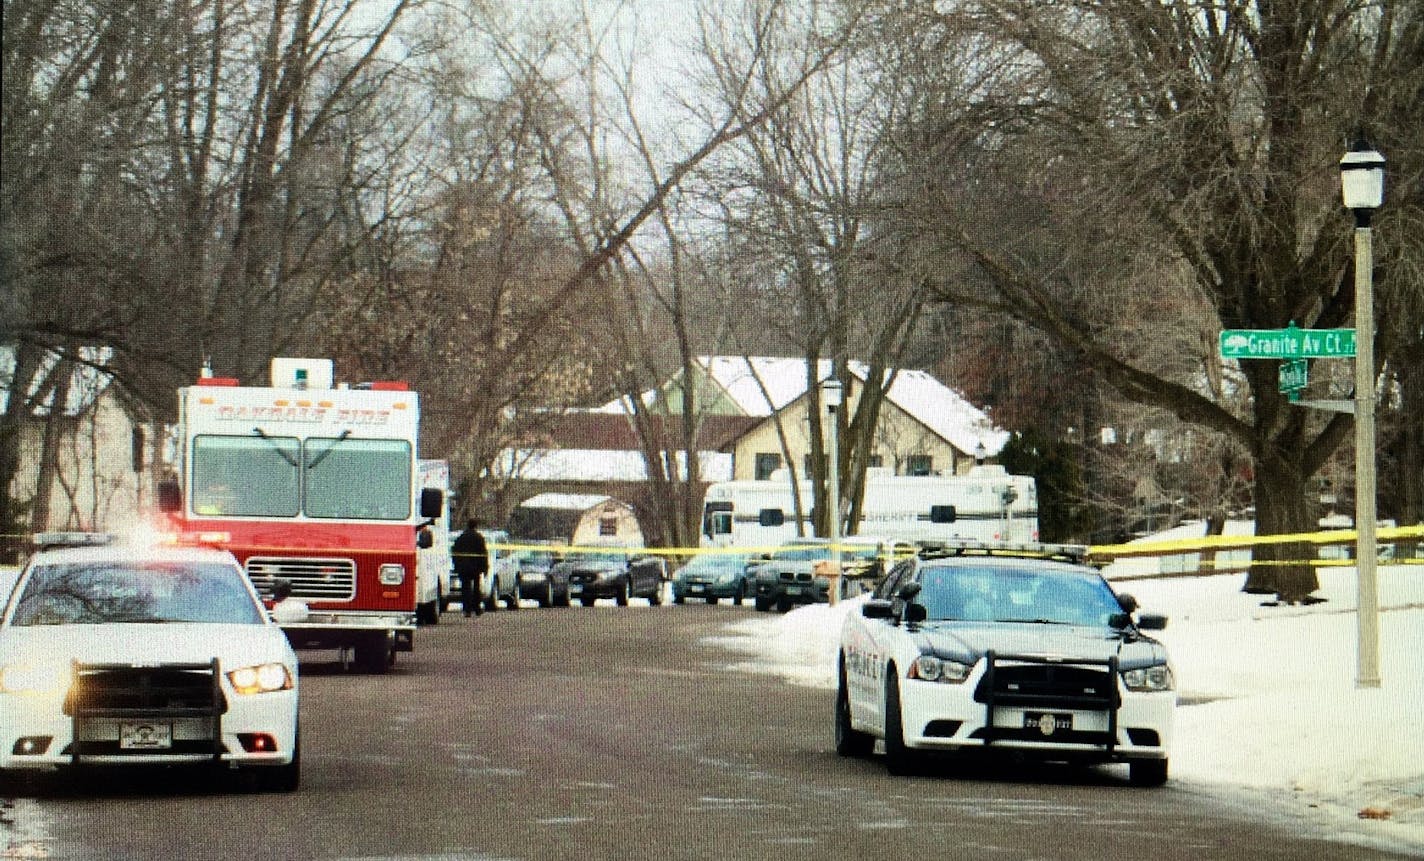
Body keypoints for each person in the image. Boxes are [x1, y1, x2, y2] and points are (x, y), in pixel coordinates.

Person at [451, 517, 489, 618]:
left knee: (465, 589)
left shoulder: (461, 537)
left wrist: (456, 565)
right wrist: (485, 568)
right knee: (476, 589)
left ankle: (467, 609)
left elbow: (454, 551)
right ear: (476, 526)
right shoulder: (479, 537)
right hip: (476, 567)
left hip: (463, 568)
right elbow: (484, 553)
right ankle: (477, 609)